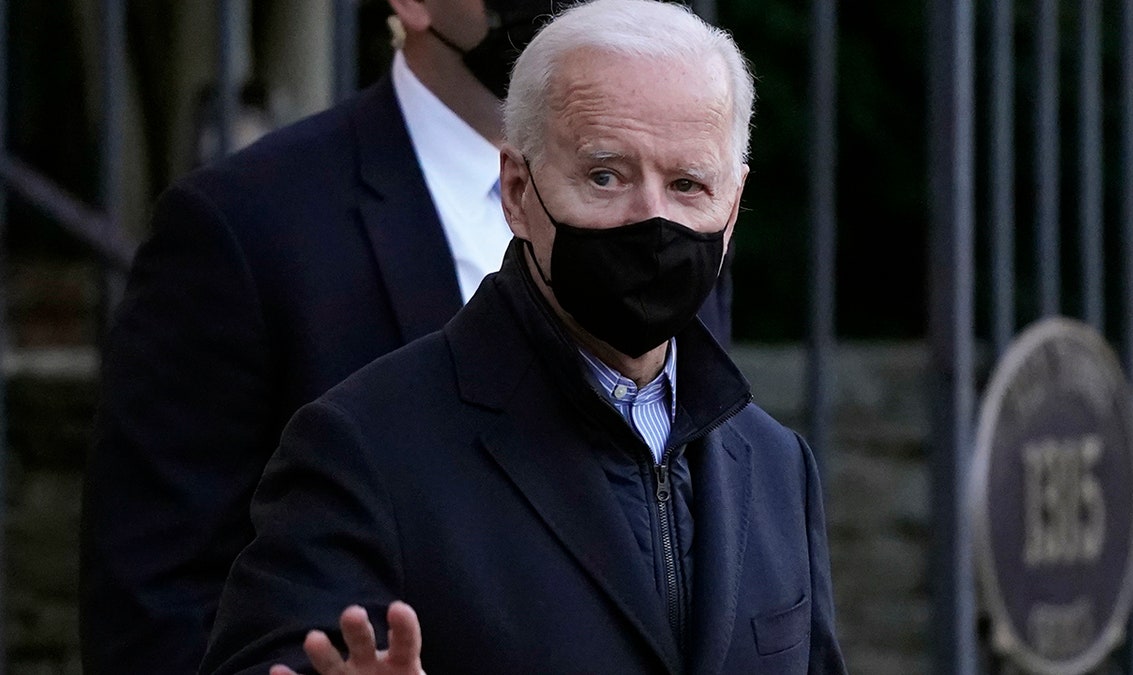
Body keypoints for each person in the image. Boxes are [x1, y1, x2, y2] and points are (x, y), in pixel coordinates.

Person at [78, 0, 753, 671]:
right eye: (606, 177)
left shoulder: (677, 221)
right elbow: (154, 604)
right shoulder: (245, 226)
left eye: (685, 185)